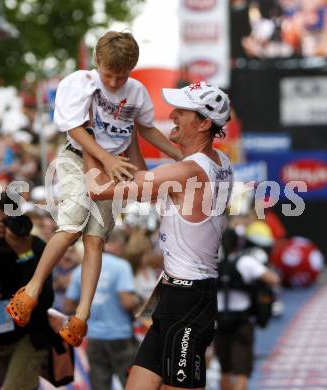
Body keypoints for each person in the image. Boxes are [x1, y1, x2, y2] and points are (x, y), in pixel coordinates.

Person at [6, 30, 182, 347]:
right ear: (97, 63)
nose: (114, 83)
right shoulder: (80, 83)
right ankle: (32, 288)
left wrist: (178, 155)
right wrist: (105, 159)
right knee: (72, 225)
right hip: (78, 158)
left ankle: (81, 315)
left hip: (115, 167)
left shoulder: (137, 92)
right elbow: (74, 127)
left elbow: (144, 130)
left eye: (121, 77)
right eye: (109, 75)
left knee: (96, 239)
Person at [84, 81, 233, 389]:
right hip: (179, 296)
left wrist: (87, 136)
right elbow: (149, 188)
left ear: (204, 123)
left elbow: (98, 189)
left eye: (183, 111)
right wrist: (133, 134)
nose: (173, 114)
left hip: (188, 300)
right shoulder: (219, 164)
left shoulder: (187, 172)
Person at [0, 192, 54, 390]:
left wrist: (24, 255)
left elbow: (45, 301)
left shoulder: (35, 246)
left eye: (8, 222)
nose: (4, 229)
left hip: (28, 335)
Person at [64, 228, 140, 389]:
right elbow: (127, 302)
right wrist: (139, 301)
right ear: (117, 244)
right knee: (130, 384)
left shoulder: (81, 269)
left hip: (94, 337)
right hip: (121, 336)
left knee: (100, 385)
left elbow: (68, 305)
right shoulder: (121, 266)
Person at [214, 228, 280, 390]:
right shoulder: (246, 262)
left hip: (219, 322)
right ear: (239, 243)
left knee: (225, 370)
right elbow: (274, 279)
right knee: (241, 371)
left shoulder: (213, 264)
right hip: (241, 323)